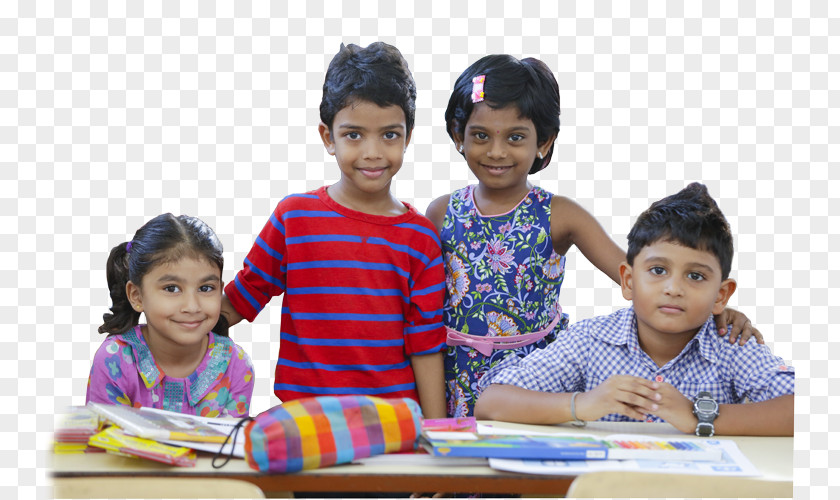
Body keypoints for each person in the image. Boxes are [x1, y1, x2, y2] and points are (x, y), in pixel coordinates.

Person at [425, 54, 762, 417]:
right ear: (459, 136)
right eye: (480, 135)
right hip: (451, 371)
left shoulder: (560, 214)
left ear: (544, 142)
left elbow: (642, 275)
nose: (496, 150)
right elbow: (424, 305)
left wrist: (714, 306)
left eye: (515, 137)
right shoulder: (442, 212)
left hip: (540, 378)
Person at [221, 42, 447, 418]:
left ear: (408, 136)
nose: (372, 151)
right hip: (303, 420)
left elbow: (425, 344)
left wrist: (439, 431)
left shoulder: (421, 240)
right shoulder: (294, 218)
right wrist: (163, 324)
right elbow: (242, 298)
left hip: (392, 424)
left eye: (389, 135)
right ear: (329, 138)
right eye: (354, 135)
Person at [474, 183, 794, 436]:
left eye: (695, 276)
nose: (673, 288)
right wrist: (582, 404)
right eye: (658, 270)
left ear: (721, 295)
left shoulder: (732, 346)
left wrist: (699, 415)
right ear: (627, 280)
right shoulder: (591, 341)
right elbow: (492, 403)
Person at [87, 213, 254, 418]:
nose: (192, 306)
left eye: (205, 288)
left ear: (220, 290)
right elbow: (103, 443)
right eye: (172, 288)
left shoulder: (236, 364)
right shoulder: (115, 359)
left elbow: (231, 446)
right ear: (137, 295)